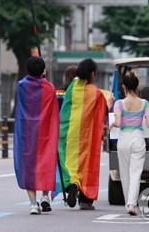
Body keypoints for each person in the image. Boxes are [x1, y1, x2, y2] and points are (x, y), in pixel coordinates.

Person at [58, 58, 108, 210]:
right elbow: (101, 114)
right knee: (87, 164)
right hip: (86, 136)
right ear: (93, 74)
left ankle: (71, 184)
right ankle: (85, 199)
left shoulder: (72, 89)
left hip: (67, 133)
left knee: (68, 161)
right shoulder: (96, 93)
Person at [13, 56, 60, 215]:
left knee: (28, 166)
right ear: (42, 71)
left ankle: (33, 204)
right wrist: (44, 80)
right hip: (45, 133)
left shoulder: (20, 87)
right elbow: (53, 110)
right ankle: (45, 196)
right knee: (46, 161)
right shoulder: (49, 88)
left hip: (26, 133)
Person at [110, 71, 149, 215]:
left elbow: (117, 122)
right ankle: (131, 204)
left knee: (124, 173)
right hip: (138, 138)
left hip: (123, 139)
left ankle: (128, 203)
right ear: (137, 86)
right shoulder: (145, 103)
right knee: (136, 173)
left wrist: (111, 126)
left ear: (124, 87)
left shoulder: (119, 103)